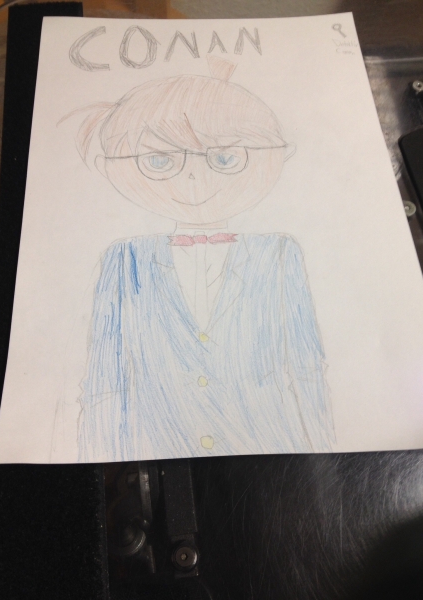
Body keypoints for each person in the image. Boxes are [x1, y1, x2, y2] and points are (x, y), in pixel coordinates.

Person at [75, 57, 334, 462]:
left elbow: (306, 368)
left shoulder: (280, 254)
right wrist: (104, 458)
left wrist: (322, 458)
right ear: (113, 167)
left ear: (278, 156)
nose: (194, 177)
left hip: (267, 445)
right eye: (160, 161)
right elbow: (105, 381)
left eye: (224, 158)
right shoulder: (123, 261)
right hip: (158, 449)